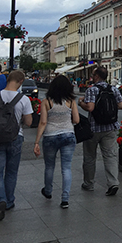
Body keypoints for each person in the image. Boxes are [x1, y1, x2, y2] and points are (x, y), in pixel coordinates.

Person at [33, 75, 79, 209]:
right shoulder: (71, 101)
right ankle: (65, 198)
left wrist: (36, 141)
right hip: (68, 135)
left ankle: (48, 191)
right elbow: (76, 120)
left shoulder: (46, 101)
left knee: (49, 166)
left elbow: (43, 122)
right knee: (66, 167)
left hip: (50, 136)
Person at [78, 66, 122, 196]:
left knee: (89, 156)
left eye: (93, 74)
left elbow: (90, 108)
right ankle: (113, 183)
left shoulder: (92, 90)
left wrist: (81, 103)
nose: (92, 77)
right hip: (111, 127)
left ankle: (89, 183)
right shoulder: (113, 89)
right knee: (110, 156)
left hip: (94, 128)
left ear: (97, 76)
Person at [0, 70, 33, 221]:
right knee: (11, 172)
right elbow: (29, 122)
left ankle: (0, 200)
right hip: (16, 137)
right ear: (21, 82)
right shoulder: (23, 99)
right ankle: (9, 201)